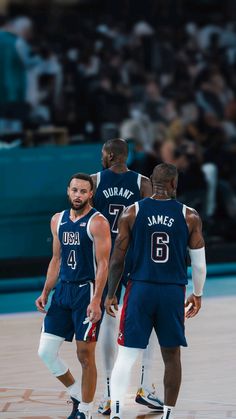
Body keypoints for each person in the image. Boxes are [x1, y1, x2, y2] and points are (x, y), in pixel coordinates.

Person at [105, 163, 206, 419]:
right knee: (171, 356)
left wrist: (110, 293)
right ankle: (168, 415)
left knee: (126, 354)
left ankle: (116, 412)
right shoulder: (189, 215)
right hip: (172, 291)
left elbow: (117, 259)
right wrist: (198, 293)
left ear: (151, 181)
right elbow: (199, 263)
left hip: (140, 289)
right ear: (174, 184)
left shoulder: (132, 212)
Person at [91, 138, 163, 415]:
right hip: (134, 260)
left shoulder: (95, 181)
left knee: (107, 324)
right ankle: (145, 386)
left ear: (109, 155)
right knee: (148, 320)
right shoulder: (143, 183)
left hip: (105, 262)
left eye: (102, 154)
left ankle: (110, 394)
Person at [35, 173, 111, 419]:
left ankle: (86, 411)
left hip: (85, 292)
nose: (78, 195)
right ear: (68, 191)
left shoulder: (98, 222)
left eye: (83, 191)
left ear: (91, 194)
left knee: (84, 355)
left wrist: (97, 299)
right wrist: (46, 291)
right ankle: (78, 393)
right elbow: (56, 259)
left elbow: (103, 264)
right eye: (74, 190)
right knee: (46, 352)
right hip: (62, 292)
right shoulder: (57, 220)